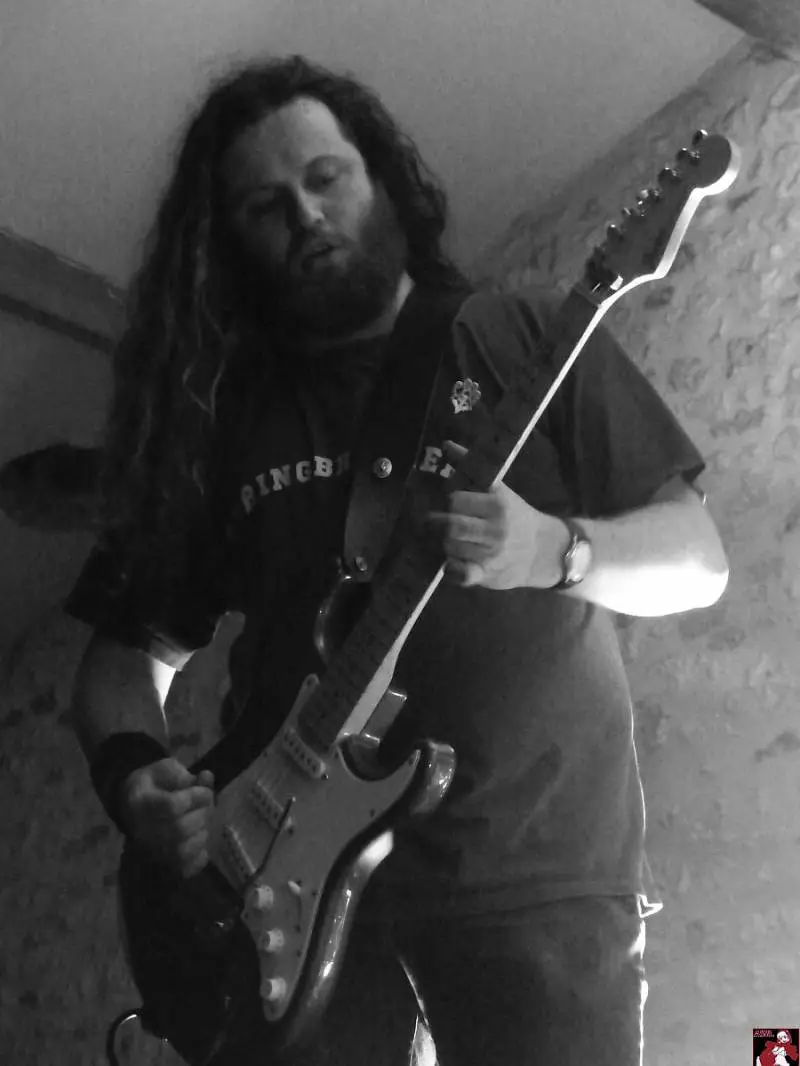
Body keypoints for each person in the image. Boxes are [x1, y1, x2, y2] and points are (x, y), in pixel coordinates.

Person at [65, 54, 730, 1066]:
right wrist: (134, 781)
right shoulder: (218, 420)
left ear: (380, 178)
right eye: (265, 206)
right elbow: (121, 662)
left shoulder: (523, 339)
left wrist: (559, 551)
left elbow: (697, 559)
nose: (305, 215)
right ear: (231, 243)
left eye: (325, 178)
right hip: (276, 898)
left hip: (533, 880)